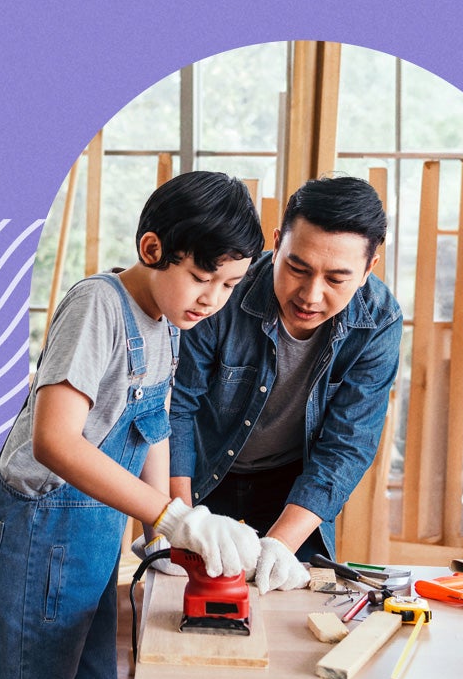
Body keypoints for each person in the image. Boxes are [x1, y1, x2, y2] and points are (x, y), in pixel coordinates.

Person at [0, 171, 265, 679]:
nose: (213, 299)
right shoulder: (97, 305)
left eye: (229, 286)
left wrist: (162, 537)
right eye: (201, 277)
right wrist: (173, 517)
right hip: (36, 540)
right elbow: (54, 441)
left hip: (92, 542)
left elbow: (154, 428)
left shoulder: (168, 325)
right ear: (153, 248)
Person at [167, 175, 403, 594]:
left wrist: (281, 541)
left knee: (294, 598)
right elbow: (179, 407)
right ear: (276, 242)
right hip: (205, 469)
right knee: (186, 592)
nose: (311, 295)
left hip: (294, 482)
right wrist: (178, 519)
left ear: (369, 269)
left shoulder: (379, 321)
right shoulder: (222, 292)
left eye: (336, 279)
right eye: (297, 267)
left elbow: (348, 444)